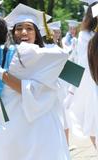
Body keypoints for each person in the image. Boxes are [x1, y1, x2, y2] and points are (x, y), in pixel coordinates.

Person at [0, 3, 70, 160]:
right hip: (13, 124)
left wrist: (2, 75)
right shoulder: (6, 53)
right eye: (19, 28)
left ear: (36, 33)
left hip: (39, 124)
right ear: (12, 32)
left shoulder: (46, 56)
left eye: (29, 28)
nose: (24, 32)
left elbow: (36, 89)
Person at [65, 1, 98, 149]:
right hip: (91, 85)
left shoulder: (84, 35)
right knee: (91, 121)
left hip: (90, 85)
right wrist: (70, 92)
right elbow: (80, 62)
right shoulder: (85, 36)